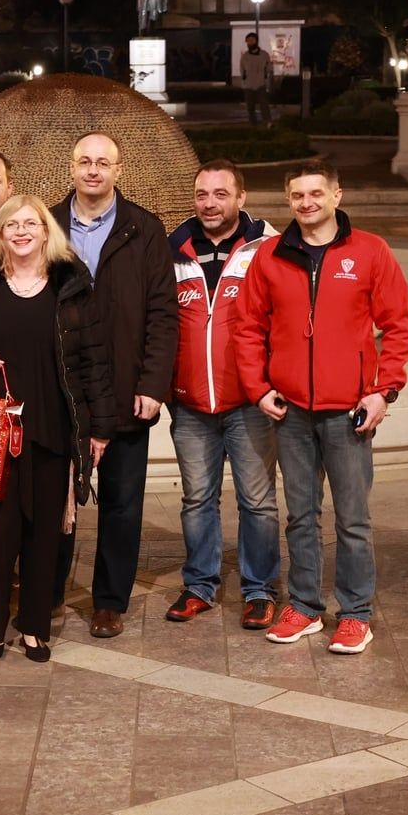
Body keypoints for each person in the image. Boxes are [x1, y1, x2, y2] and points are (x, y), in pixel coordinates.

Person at [233, 160, 408, 655]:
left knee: (352, 520)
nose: (306, 203)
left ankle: (355, 614)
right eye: (297, 195)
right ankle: (305, 607)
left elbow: (398, 325)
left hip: (348, 411)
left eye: (316, 193)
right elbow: (247, 327)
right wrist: (258, 388)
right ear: (288, 200)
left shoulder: (370, 251)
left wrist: (383, 391)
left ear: (337, 195)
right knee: (301, 516)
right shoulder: (270, 255)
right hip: (290, 412)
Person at [0, 195, 115, 662]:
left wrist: (99, 429)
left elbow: (94, 360)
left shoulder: (72, 285)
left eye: (31, 224)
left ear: (46, 232)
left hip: (52, 427)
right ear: (0, 234)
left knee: (44, 535)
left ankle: (34, 627)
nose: (21, 231)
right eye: (12, 225)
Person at [50, 133, 177, 639]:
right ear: (71, 167)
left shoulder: (145, 229)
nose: (93, 170)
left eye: (103, 163)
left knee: (122, 504)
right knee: (56, 498)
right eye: (85, 161)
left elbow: (163, 314)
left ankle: (109, 601)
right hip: (62, 389)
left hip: (125, 387)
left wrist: (153, 384)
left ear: (119, 170)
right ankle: (49, 591)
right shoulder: (46, 224)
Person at [164, 160, 281, 630]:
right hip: (190, 403)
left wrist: (273, 384)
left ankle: (260, 589)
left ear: (241, 198)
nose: (210, 203)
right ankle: (199, 585)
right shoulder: (172, 251)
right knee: (197, 500)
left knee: (258, 502)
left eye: (220, 194)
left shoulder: (269, 247)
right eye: (202, 194)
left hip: (251, 401)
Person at [240, 33, 273, 128]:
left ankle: (268, 122)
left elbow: (269, 68)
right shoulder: (245, 56)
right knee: (250, 107)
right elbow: (242, 70)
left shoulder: (264, 55)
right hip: (248, 85)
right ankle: (253, 125)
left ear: (256, 41)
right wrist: (244, 81)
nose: (250, 43)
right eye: (248, 41)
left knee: (264, 105)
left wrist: (267, 80)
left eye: (252, 40)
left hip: (261, 84)